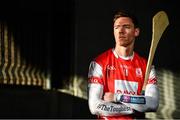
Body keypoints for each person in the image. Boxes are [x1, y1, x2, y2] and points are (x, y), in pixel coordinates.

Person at [87, 10, 159, 120]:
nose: (121, 31)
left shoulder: (147, 67)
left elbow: (153, 103)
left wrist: (117, 97)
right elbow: (94, 106)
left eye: (126, 27)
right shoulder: (99, 63)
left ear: (136, 32)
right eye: (117, 27)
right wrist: (132, 109)